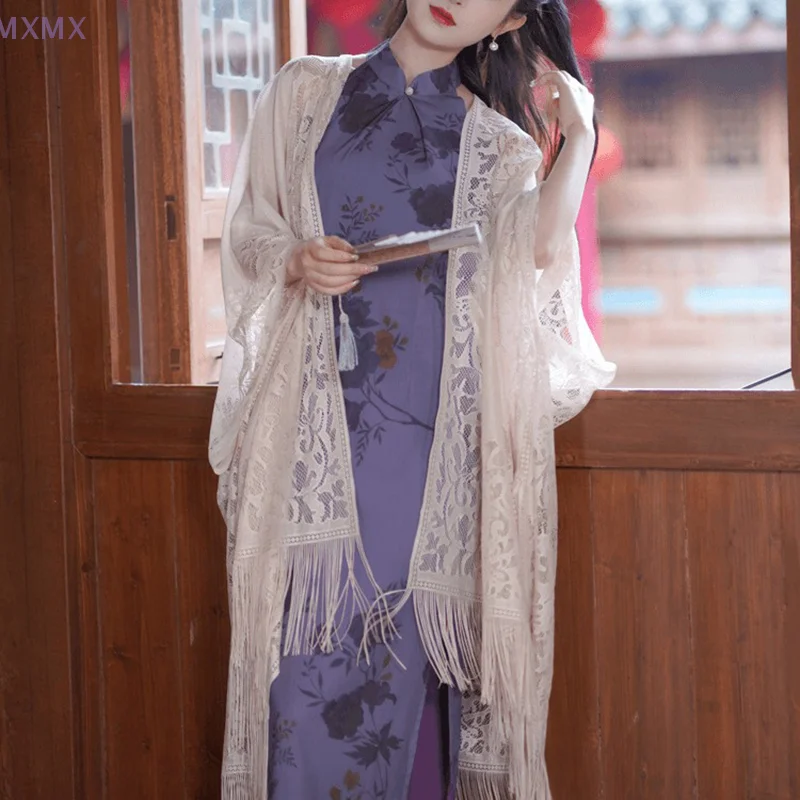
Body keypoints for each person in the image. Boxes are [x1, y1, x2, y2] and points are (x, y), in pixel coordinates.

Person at [208, 0, 616, 798]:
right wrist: (294, 259)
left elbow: (538, 250)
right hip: (309, 460)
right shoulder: (304, 92)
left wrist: (582, 136)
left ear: (506, 24)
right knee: (295, 693)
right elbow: (249, 229)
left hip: (426, 469)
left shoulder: (495, 148)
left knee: (401, 692)